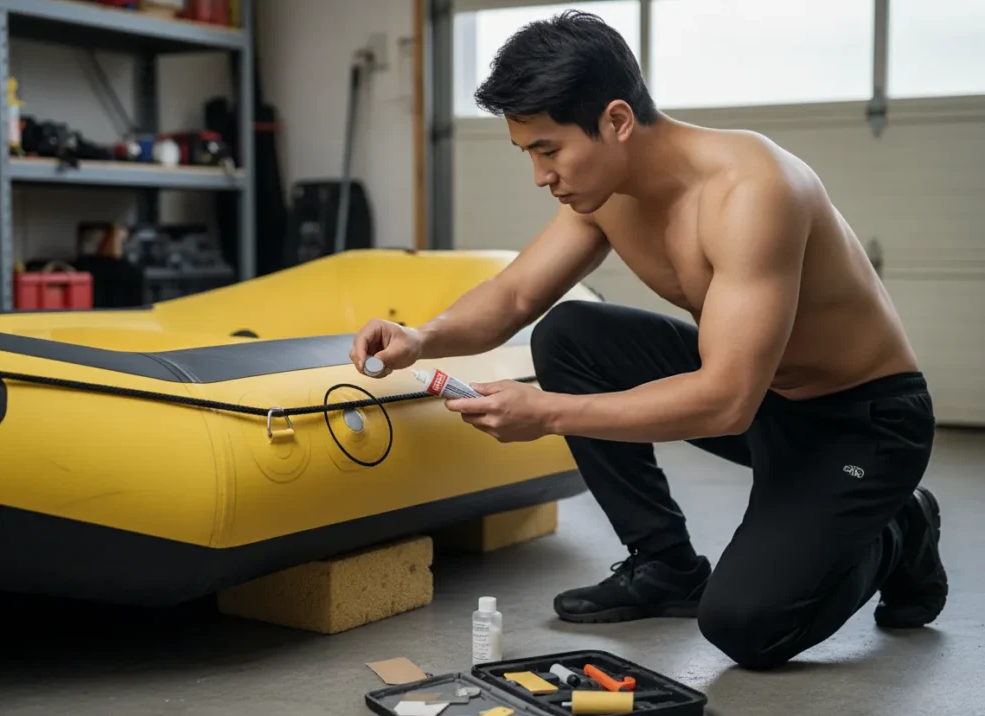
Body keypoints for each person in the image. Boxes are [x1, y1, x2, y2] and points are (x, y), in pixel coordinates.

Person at [348, 11, 947, 670]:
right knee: (569, 335)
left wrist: (545, 412)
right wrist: (420, 336)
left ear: (616, 121)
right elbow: (517, 296)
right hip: (763, 395)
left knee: (745, 625)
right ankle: (664, 563)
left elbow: (725, 403)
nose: (540, 175)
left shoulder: (752, 191)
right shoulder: (606, 189)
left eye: (548, 149)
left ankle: (901, 525)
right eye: (528, 154)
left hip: (861, 422)